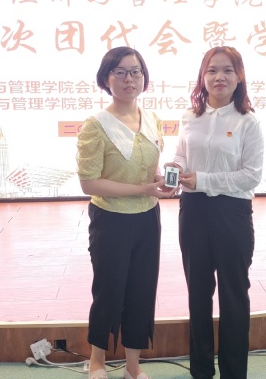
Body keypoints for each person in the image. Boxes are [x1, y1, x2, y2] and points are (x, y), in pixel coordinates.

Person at [76, 46, 177, 379]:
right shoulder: (96, 125)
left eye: (135, 71)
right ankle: (97, 362)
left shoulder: (152, 119)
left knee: (142, 291)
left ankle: (133, 367)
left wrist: (159, 181)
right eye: (120, 72)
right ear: (107, 79)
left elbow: (149, 169)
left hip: (148, 218)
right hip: (110, 220)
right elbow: (89, 183)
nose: (129, 78)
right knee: (109, 291)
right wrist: (142, 189)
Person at [165, 46, 264, 379]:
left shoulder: (248, 122)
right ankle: (201, 371)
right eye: (212, 70)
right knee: (198, 294)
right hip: (193, 211)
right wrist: (174, 168)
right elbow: (182, 155)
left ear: (239, 76)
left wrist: (204, 179)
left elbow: (251, 176)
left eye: (227, 70)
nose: (219, 77)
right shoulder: (190, 117)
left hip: (232, 213)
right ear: (202, 76)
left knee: (234, 296)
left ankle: (234, 373)